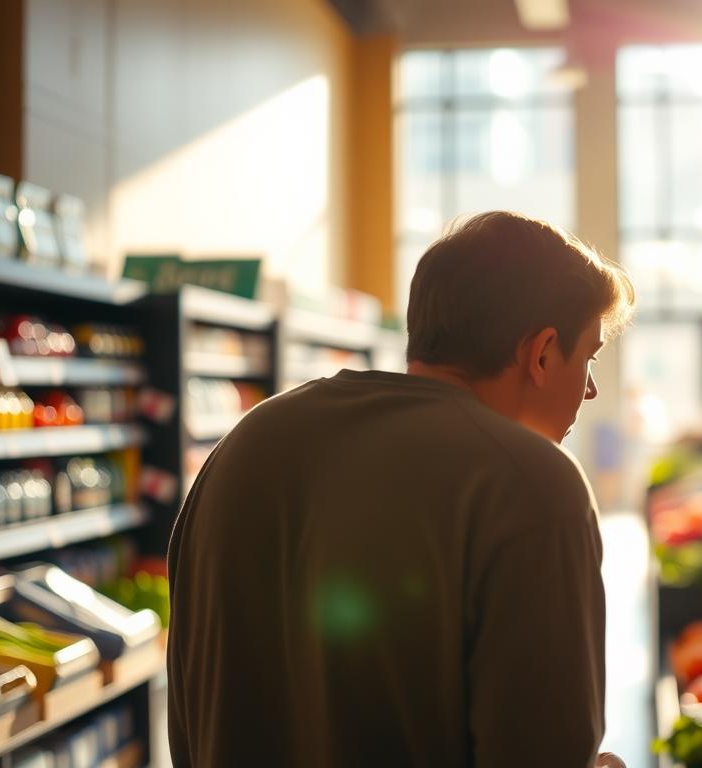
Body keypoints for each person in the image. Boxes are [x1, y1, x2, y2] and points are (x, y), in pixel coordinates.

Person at [166, 211, 636, 768]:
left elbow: (188, 717)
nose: (589, 389)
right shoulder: (531, 486)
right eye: (588, 358)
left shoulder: (244, 445)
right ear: (541, 352)